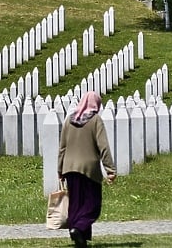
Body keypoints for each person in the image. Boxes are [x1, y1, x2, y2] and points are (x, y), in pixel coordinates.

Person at [57, 91, 116, 248]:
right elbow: (103, 146)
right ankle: (79, 227)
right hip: (88, 168)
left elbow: (62, 147)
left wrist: (60, 169)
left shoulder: (69, 120)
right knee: (93, 204)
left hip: (69, 167)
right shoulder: (96, 120)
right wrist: (110, 169)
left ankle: (79, 238)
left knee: (76, 203)